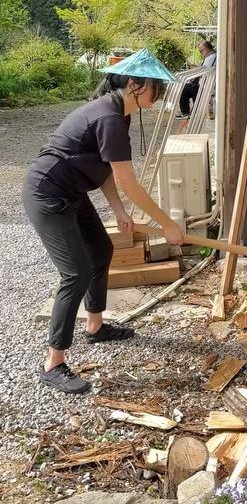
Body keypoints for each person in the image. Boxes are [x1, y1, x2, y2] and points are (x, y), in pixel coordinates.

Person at [23, 49, 185, 395]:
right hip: (47, 195)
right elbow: (129, 181)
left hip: (74, 192)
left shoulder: (119, 113)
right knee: (75, 273)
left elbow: (108, 172)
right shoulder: (108, 118)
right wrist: (167, 224)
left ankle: (95, 326)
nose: (159, 96)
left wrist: (119, 210)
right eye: (156, 89)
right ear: (134, 84)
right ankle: (53, 363)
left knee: (101, 250)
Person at [179, 40, 217, 117]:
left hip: (207, 86)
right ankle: (195, 112)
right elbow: (206, 68)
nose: (200, 53)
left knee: (185, 89)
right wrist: (197, 67)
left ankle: (185, 112)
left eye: (201, 51)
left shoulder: (212, 57)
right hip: (205, 85)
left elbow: (206, 71)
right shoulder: (212, 56)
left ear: (206, 49)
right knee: (191, 88)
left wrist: (196, 68)